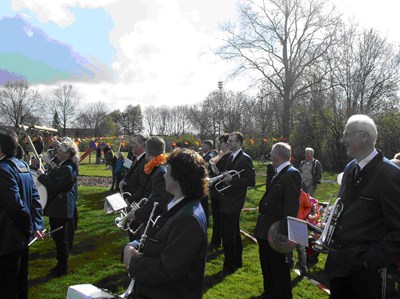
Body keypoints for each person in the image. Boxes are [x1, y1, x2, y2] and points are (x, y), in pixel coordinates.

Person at [324, 114, 400, 299]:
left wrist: (368, 261)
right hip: (338, 267)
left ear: (364, 136)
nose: (342, 140)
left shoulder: (390, 175)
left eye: (346, 135)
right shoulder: (350, 168)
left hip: (365, 276)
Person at [124, 148, 208, 299]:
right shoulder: (177, 203)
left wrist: (133, 260)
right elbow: (157, 240)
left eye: (168, 170)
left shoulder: (189, 218)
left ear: (179, 177)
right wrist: (133, 245)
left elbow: (168, 270)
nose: (164, 174)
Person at [0, 131, 45, 299]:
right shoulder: (22, 165)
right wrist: (36, 225)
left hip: (7, 236)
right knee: (20, 281)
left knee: (7, 285)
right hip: (20, 235)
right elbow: (35, 200)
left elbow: (16, 205)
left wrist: (29, 226)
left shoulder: (3, 170)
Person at [254, 142, 301, 299]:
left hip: (275, 229)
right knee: (267, 263)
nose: (270, 156)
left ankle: (281, 294)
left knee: (278, 265)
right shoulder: (278, 172)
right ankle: (270, 292)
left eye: (272, 153)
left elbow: (291, 205)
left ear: (278, 155)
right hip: (266, 227)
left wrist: (284, 232)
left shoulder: (291, 173)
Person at [37, 140, 79, 277]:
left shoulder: (67, 168)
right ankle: (61, 265)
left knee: (60, 238)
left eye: (61, 150)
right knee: (60, 238)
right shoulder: (65, 166)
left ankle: (62, 267)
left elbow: (55, 186)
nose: (58, 152)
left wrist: (41, 175)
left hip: (61, 208)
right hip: (60, 207)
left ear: (67, 154)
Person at [218, 132, 256, 274]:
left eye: (232, 141)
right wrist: (223, 177)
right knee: (233, 232)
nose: (229, 143)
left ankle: (228, 266)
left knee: (228, 234)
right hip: (227, 198)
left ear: (240, 143)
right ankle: (237, 261)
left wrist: (232, 180)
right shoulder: (230, 157)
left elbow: (251, 181)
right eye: (228, 141)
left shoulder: (245, 158)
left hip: (235, 200)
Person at [122, 136, 173, 241]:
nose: (132, 145)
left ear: (147, 150)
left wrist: (136, 213)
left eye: (134, 143)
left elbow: (157, 200)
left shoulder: (161, 171)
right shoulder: (159, 167)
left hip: (154, 222)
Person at [208, 133, 231, 252]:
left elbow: (224, 172)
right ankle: (215, 240)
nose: (219, 144)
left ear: (227, 143)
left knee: (220, 219)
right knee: (216, 218)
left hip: (221, 191)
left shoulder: (229, 156)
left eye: (221, 142)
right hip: (215, 190)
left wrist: (216, 173)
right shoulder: (220, 155)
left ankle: (218, 241)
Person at [200, 139, 214, 226]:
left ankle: (205, 221)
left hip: (205, 182)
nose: (202, 146)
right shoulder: (205, 156)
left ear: (209, 147)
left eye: (204, 145)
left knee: (204, 203)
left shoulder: (209, 157)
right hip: (203, 182)